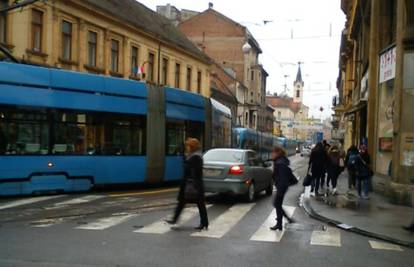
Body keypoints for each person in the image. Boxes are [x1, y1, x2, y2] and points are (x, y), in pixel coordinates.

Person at [166, 138, 208, 230]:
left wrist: (187, 165)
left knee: (199, 203)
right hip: (192, 183)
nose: (187, 148)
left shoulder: (195, 157)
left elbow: (194, 170)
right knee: (183, 201)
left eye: (188, 146)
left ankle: (204, 222)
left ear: (192, 147)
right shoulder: (193, 155)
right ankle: (174, 219)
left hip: (193, 184)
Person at [270, 147, 296, 231]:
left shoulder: (280, 163)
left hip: (282, 187)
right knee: (277, 204)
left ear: (277, 153)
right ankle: (280, 223)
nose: (272, 154)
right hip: (282, 186)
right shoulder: (279, 161)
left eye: (273, 153)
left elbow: (282, 178)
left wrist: (280, 190)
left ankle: (282, 222)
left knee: (277, 204)